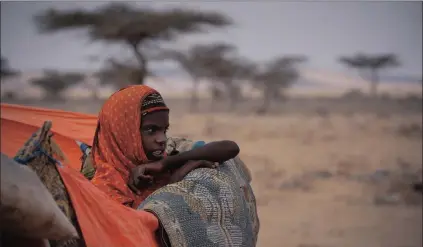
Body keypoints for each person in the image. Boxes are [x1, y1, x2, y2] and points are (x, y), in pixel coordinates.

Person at [90, 85, 240, 209]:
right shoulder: (105, 189)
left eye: (164, 130)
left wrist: (165, 163)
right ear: (122, 133)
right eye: (151, 130)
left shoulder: (162, 161)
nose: (162, 139)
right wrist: (173, 185)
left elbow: (230, 148)